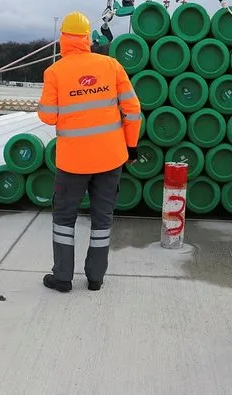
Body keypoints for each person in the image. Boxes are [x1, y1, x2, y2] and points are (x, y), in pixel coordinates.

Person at [37, 11, 142, 292]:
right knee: (102, 218)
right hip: (111, 159)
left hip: (73, 162)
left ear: (62, 40)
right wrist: (131, 146)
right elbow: (133, 111)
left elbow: (46, 116)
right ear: (87, 38)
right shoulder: (111, 65)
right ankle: (95, 278)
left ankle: (62, 278)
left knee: (63, 219)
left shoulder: (54, 72)